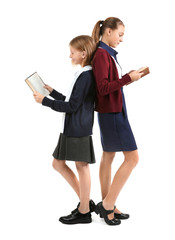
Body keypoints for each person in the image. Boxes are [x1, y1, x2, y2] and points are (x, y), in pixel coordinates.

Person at [33, 35, 97, 224]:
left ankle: (84, 210)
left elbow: (72, 107)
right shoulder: (84, 73)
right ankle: (86, 203)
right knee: (59, 164)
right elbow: (72, 102)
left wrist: (45, 101)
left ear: (83, 53)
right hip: (73, 126)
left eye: (72, 52)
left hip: (77, 128)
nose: (70, 56)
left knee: (81, 166)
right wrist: (52, 93)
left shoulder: (86, 75)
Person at [92, 17, 143, 225]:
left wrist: (127, 78)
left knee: (109, 155)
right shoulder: (102, 55)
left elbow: (111, 84)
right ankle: (107, 204)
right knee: (132, 158)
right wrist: (128, 79)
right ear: (109, 32)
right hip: (111, 114)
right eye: (120, 34)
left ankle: (108, 203)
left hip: (112, 111)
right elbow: (103, 88)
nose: (122, 39)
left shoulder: (107, 54)